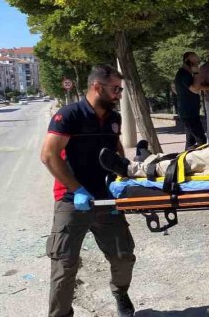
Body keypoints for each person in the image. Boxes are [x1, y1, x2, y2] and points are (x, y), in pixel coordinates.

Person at [39, 65, 137, 317]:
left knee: (123, 255)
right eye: (115, 89)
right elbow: (49, 155)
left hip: (106, 199)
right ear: (97, 87)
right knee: (64, 264)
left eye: (120, 90)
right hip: (72, 200)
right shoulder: (69, 115)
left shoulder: (114, 118)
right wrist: (78, 189)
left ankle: (120, 292)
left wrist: (123, 177)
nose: (119, 94)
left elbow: (115, 150)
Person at [174, 52, 209, 149]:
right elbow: (195, 89)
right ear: (187, 61)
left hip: (191, 113)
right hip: (188, 114)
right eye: (195, 61)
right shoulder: (183, 74)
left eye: (197, 61)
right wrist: (197, 73)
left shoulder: (186, 74)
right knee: (201, 140)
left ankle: (186, 158)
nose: (197, 64)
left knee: (191, 142)